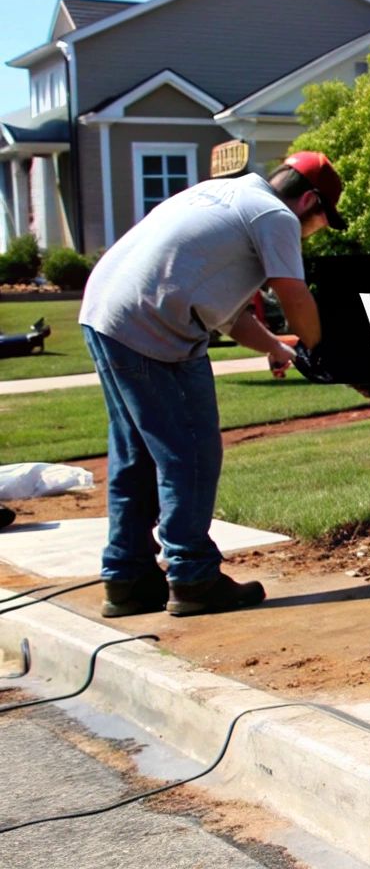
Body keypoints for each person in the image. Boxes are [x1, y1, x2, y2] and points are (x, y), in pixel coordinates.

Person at [78, 151, 345, 617]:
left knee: (136, 456)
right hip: (154, 327)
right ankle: (193, 576)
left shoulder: (220, 193)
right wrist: (325, 352)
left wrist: (277, 348)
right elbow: (294, 295)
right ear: (309, 202)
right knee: (191, 454)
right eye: (324, 221)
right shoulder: (276, 216)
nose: (317, 231)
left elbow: (230, 315)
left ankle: (127, 579)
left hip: (105, 313)